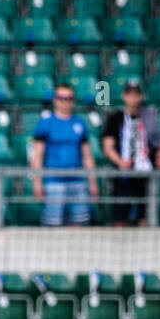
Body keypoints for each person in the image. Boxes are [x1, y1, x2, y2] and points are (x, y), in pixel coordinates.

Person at [30, 82, 99, 227]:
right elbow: (37, 155)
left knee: (79, 225)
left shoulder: (80, 123)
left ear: (73, 100)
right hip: (54, 182)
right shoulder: (45, 123)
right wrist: (36, 183)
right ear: (55, 99)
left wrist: (93, 182)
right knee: (52, 226)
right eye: (61, 97)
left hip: (78, 181)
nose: (65, 101)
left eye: (69, 98)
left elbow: (87, 156)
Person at [101, 79, 160, 227]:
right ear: (124, 96)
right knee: (120, 217)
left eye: (136, 94)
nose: (133, 98)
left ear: (141, 96)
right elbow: (108, 147)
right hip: (123, 175)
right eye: (129, 94)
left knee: (144, 216)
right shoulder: (115, 118)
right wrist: (120, 162)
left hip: (145, 173)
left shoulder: (149, 118)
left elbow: (158, 143)